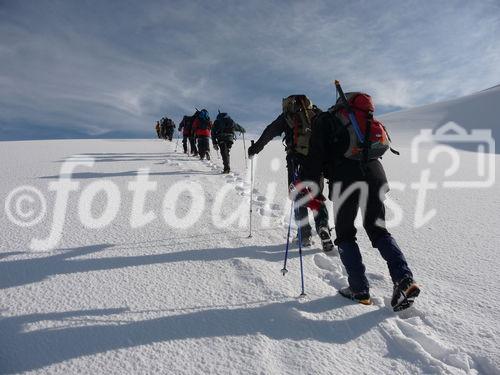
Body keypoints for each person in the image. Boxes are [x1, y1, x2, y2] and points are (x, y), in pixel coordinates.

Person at [304, 89, 420, 311]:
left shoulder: (327, 120)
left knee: (346, 234)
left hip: (345, 179)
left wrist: (307, 185)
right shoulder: (366, 119)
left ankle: (359, 290)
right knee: (379, 231)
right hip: (376, 175)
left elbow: (315, 156)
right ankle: (404, 279)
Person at [247, 95, 334, 252]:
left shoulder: (287, 116)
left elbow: (269, 131)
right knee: (316, 194)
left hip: (295, 160)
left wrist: (255, 149)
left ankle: (304, 234)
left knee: (298, 196)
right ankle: (323, 226)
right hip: (317, 160)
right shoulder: (315, 112)